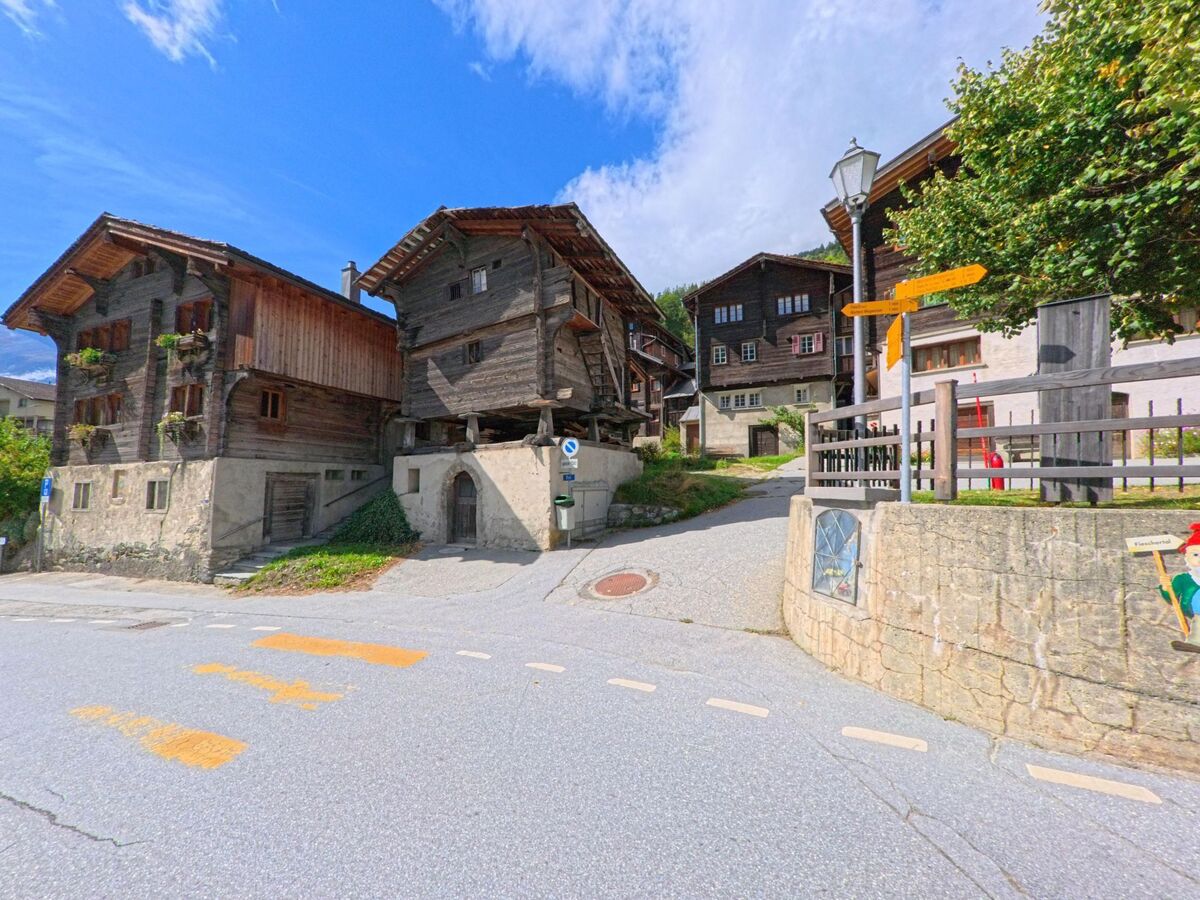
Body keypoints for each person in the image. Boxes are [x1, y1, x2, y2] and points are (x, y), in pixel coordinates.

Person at [1158, 523, 1200, 643]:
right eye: (1196, 555)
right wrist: (1166, 587)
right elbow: (1172, 597)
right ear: (1187, 556)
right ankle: (1195, 642)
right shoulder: (1183, 579)